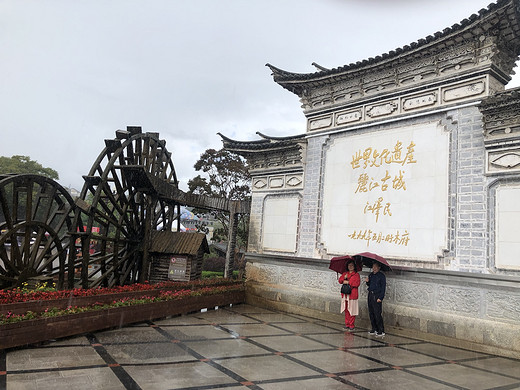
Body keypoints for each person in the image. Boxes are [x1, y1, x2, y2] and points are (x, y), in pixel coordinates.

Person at [365, 262, 386, 337]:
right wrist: (367, 282)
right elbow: (370, 284)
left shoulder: (381, 276)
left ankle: (381, 329)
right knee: (371, 312)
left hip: (377, 295)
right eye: (373, 266)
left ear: (379, 267)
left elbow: (383, 287)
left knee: (377, 313)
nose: (374, 268)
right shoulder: (371, 275)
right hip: (370, 294)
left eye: (375, 267)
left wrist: (381, 297)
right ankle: (374, 328)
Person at [338, 259, 360, 331]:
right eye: (349, 265)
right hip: (345, 294)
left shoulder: (356, 274)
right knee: (346, 309)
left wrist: (348, 282)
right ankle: (347, 324)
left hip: (352, 295)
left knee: (352, 310)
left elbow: (356, 283)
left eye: (352, 265)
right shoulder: (345, 273)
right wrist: (344, 278)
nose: (350, 267)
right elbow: (340, 281)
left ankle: (351, 324)